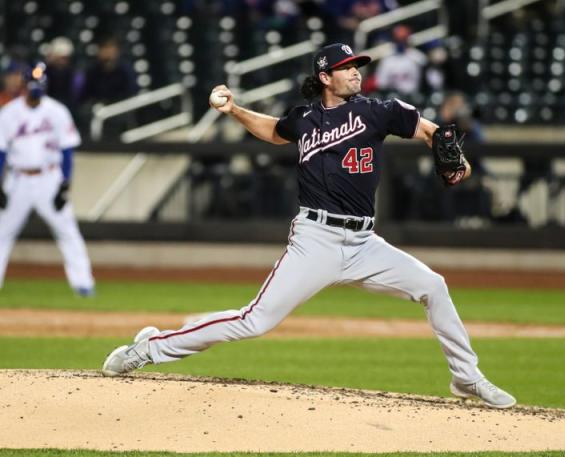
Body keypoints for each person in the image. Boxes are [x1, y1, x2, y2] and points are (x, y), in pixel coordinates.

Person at [102, 43, 516, 409]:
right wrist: (234, 110)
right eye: (347, 66)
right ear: (325, 76)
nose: (356, 71)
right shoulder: (304, 119)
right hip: (315, 240)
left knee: (434, 286)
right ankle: (150, 348)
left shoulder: (378, 110)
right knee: (255, 320)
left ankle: (466, 377)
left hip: (364, 242)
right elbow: (273, 130)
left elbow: (431, 132)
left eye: (359, 65)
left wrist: (457, 162)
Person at [0, 63, 95, 296]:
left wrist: (64, 185)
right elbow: (1, 152)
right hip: (18, 179)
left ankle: (83, 284)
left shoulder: (57, 111)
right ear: (25, 86)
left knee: (67, 231)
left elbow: (67, 151)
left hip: (48, 178)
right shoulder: (9, 112)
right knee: (2, 232)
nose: (35, 91)